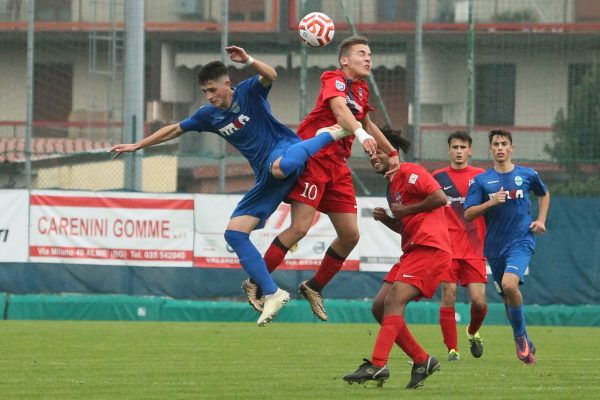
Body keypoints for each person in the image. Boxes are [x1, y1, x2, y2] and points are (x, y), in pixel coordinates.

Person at [109, 46, 356, 327]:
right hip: (265, 175)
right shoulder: (208, 115)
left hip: (285, 149)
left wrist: (249, 60)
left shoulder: (249, 91)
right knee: (234, 233)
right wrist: (138, 145)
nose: (210, 97)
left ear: (228, 84)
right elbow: (176, 128)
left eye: (213, 90)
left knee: (282, 167)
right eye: (205, 92)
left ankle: (330, 134)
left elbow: (271, 74)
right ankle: (272, 293)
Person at [241, 35, 399, 321]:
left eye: (370, 54)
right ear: (344, 60)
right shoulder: (333, 78)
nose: (368, 58)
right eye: (362, 53)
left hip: (337, 166)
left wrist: (392, 152)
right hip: (313, 160)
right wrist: (361, 137)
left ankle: (313, 287)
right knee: (299, 228)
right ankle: (255, 282)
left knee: (350, 235)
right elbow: (340, 110)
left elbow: (366, 122)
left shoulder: (361, 90)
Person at [343, 128, 450, 389]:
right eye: (369, 153)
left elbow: (440, 197)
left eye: (376, 150)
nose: (372, 157)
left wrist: (407, 209)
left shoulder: (411, 172)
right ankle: (422, 360)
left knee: (393, 301)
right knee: (379, 306)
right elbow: (407, 225)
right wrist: (389, 220)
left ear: (393, 151)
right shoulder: (392, 189)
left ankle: (378, 364)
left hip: (431, 249)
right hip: (412, 250)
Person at [464, 129, 550, 365]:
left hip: (521, 240)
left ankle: (519, 337)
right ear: (490, 149)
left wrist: (541, 220)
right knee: (506, 297)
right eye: (496, 144)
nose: (500, 147)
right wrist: (491, 202)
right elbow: (469, 213)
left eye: (504, 144)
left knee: (509, 285)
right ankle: (524, 341)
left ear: (512, 148)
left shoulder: (527, 174)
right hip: (494, 247)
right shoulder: (481, 181)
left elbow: (544, 193)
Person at [432, 131, 487, 361]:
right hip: (448, 247)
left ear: (470, 150)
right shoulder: (437, 177)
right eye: (455, 147)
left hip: (475, 248)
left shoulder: (482, 177)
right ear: (449, 150)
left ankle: (472, 331)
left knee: (479, 302)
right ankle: (452, 349)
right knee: (449, 294)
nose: (458, 151)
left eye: (463, 147)